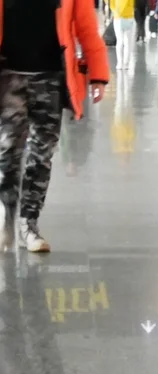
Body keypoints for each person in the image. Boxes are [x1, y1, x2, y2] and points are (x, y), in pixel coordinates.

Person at [0, 0, 109, 253]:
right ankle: (7, 217)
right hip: (8, 79)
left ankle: (29, 225)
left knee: (41, 156)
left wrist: (98, 75)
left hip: (50, 79)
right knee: (7, 154)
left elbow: (87, 29)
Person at [111, 0, 136, 69]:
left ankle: (119, 63)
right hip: (129, 16)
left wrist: (114, 10)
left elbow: (110, 3)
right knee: (128, 42)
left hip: (118, 17)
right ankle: (126, 64)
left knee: (120, 41)